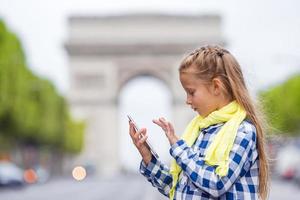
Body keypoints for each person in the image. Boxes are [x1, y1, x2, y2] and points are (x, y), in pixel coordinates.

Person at [128, 45, 269, 200]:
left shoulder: (243, 132)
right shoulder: (198, 132)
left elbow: (216, 184)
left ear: (216, 86)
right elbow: (176, 189)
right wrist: (147, 155)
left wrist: (178, 147)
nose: (187, 100)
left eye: (191, 92)